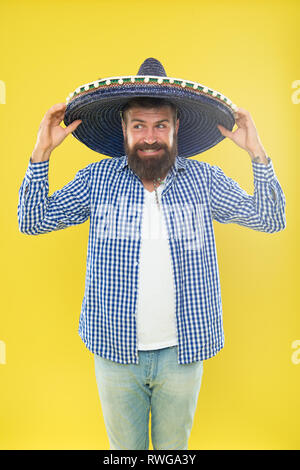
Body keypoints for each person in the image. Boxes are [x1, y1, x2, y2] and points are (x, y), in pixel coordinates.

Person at [18, 58, 286, 450]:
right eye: (138, 125)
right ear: (123, 129)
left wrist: (256, 153)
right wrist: (41, 155)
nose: (150, 137)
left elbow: (270, 218)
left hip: (183, 351)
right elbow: (33, 220)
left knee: (172, 453)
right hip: (114, 351)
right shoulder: (97, 179)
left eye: (160, 125)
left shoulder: (203, 180)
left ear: (176, 128)